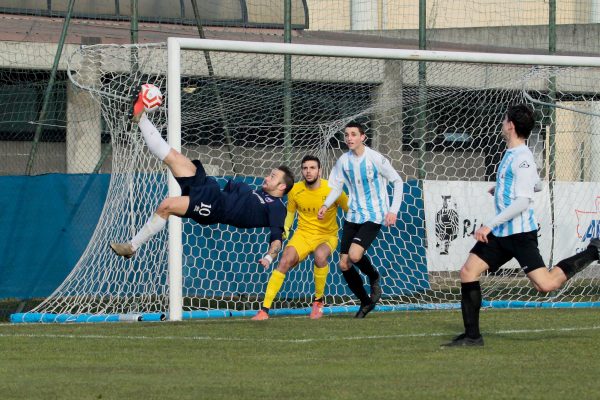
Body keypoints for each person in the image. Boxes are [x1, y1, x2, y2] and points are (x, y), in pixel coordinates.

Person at [442, 104, 600, 347]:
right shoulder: (513, 152)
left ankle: (594, 251)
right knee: (468, 272)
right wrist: (502, 189)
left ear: (511, 125)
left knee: (545, 285)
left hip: (519, 234)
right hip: (503, 233)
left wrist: (488, 226)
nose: (502, 123)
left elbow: (524, 200)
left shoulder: (523, 158)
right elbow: (534, 185)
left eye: (505, 119)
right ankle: (473, 336)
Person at [110, 88, 295, 264]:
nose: (267, 177)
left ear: (282, 187)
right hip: (212, 189)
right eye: (270, 174)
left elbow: (277, 239)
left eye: (273, 177)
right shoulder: (259, 194)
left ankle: (132, 246)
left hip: (213, 208)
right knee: (173, 157)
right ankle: (140, 117)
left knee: (166, 205)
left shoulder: (277, 208)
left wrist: (270, 257)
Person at [317, 121, 404, 318]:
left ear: (363, 137)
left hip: (374, 214)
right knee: (344, 264)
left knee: (355, 256)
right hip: (353, 215)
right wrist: (325, 205)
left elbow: (397, 181)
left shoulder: (375, 158)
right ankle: (365, 302)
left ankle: (374, 277)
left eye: (353, 134)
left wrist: (393, 210)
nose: (349, 138)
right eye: (347, 135)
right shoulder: (343, 161)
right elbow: (337, 187)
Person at [252, 155, 349, 321]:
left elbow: (351, 211)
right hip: (302, 235)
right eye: (305, 168)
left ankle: (318, 301)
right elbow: (290, 214)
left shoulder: (333, 189)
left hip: (326, 236)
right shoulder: (295, 190)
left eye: (312, 168)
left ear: (320, 171)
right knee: (284, 261)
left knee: (320, 256)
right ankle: (264, 310)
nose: (308, 171)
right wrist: (286, 231)